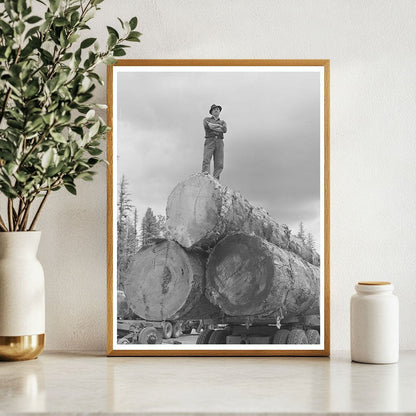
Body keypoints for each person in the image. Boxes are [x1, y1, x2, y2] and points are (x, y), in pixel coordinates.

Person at [202, 104, 227, 180]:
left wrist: (213, 127)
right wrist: (218, 127)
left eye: (217, 109)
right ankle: (205, 177)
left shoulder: (223, 122)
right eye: (214, 109)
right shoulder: (207, 119)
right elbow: (208, 126)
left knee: (219, 163)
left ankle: (215, 180)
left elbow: (224, 130)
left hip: (219, 141)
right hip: (210, 140)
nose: (216, 110)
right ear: (211, 112)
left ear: (219, 111)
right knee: (206, 159)